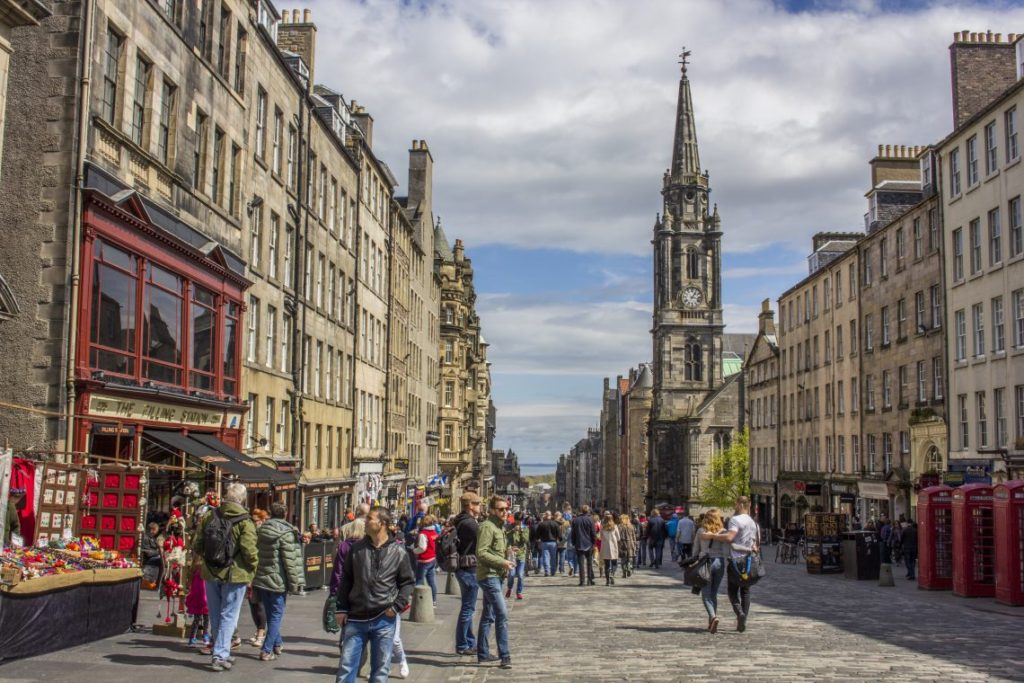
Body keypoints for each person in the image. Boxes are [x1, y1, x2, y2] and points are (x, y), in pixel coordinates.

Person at [335, 507, 415, 683]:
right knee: (346, 667)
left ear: (382, 524)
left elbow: (408, 582)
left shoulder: (398, 552)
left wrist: (396, 607)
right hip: (356, 617)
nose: (365, 521)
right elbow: (346, 580)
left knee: (380, 670)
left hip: (383, 618)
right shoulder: (356, 549)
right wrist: (341, 608)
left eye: (370, 519)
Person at [191, 482, 258, 672]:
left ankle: (222, 650)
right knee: (229, 614)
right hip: (234, 574)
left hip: (211, 571)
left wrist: (206, 559)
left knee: (215, 613)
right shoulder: (245, 521)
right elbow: (249, 551)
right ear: (243, 499)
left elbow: (197, 544)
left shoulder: (209, 516)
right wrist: (253, 569)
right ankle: (220, 655)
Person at [252, 502, 304, 661]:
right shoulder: (287, 533)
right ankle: (266, 649)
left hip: (261, 578)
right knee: (275, 615)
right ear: (285, 513)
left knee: (271, 613)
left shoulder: (260, 530)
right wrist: (295, 583)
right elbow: (291, 560)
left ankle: (277, 643)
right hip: (278, 580)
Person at [705, 496, 759, 632]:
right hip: (749, 560)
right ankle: (743, 620)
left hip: (736, 561)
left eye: (735, 504)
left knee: (732, 591)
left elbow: (730, 537)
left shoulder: (735, 520)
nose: (734, 506)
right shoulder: (753, 523)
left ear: (740, 505)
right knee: (745, 591)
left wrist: (713, 536)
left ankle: (739, 612)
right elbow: (756, 544)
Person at [475, 495, 514, 669]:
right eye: (501, 509)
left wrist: (507, 553)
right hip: (489, 576)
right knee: (502, 614)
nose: (505, 512)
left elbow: (493, 550)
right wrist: (502, 562)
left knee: (488, 615)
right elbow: (481, 552)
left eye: (506, 509)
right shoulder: (487, 527)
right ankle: (505, 655)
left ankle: (482, 653)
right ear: (492, 510)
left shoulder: (500, 527)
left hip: (498, 575)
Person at [451, 492, 481, 655]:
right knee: (468, 609)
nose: (480, 506)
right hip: (469, 569)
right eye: (477, 503)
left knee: (468, 607)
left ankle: (469, 641)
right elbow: (483, 543)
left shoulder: (460, 520)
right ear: (469, 505)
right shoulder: (470, 524)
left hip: (463, 568)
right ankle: (462, 644)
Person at [695, 509, 729, 633]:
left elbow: (695, 549)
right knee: (714, 593)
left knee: (706, 595)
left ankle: (713, 616)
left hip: (705, 562)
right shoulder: (723, 532)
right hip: (719, 562)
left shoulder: (701, 531)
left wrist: (694, 562)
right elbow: (726, 549)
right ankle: (711, 621)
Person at [412, 514, 439, 606]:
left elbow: (422, 548)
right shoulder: (434, 533)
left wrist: (414, 550)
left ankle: (419, 602)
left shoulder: (423, 534)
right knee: (431, 581)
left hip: (424, 560)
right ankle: (433, 600)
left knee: (419, 580)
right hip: (432, 559)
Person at [185, 553, 210, 647]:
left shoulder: (205, 573)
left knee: (205, 619)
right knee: (198, 619)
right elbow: (191, 586)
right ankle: (193, 637)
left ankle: (205, 635)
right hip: (199, 600)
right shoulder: (195, 573)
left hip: (206, 599)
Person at [570, 505, 597, 586]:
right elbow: (593, 533)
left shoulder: (575, 520)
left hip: (579, 543)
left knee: (581, 563)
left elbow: (573, 533)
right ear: (588, 511)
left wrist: (574, 542)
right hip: (589, 544)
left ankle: (582, 581)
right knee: (589, 563)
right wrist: (593, 542)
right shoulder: (590, 520)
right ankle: (589, 580)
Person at [505, 513, 529, 600]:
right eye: (516, 521)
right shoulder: (509, 527)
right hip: (512, 554)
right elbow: (505, 536)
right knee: (511, 574)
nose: (517, 523)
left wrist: (521, 531)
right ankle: (509, 588)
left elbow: (525, 540)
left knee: (520, 574)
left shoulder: (525, 528)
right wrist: (513, 531)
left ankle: (519, 592)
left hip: (521, 554)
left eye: (519, 521)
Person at [536, 511, 561, 577]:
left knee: (545, 557)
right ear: (551, 516)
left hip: (544, 542)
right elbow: (559, 534)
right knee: (553, 557)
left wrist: (538, 538)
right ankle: (553, 571)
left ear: (545, 516)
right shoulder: (555, 524)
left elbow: (537, 534)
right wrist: (560, 539)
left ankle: (547, 571)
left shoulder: (542, 524)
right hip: (553, 542)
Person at [599, 512, 620, 585]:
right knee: (614, 563)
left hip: (605, 547)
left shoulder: (602, 527)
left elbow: (600, 537)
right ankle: (612, 573)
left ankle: (607, 581)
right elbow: (618, 537)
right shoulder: (615, 526)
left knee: (607, 564)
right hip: (613, 546)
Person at [141, 521, 163, 588]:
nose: (156, 532)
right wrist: (158, 552)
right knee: (160, 560)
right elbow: (147, 552)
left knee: (162, 560)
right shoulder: (146, 537)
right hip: (147, 559)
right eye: (156, 530)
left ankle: (155, 581)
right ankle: (151, 581)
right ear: (152, 529)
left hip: (152, 557)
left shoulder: (152, 538)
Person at [617, 513, 636, 578]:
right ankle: (629, 568)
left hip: (622, 544)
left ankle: (624, 572)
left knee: (623, 559)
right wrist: (634, 544)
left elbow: (617, 537)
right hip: (630, 544)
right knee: (629, 558)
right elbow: (634, 536)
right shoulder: (631, 526)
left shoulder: (619, 526)